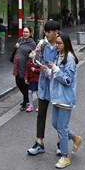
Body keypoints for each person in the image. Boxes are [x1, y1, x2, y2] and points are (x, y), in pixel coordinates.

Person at [48, 32, 82, 169]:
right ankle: (75, 138)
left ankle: (65, 156)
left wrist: (55, 70)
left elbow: (67, 80)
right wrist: (48, 71)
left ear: (66, 44)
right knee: (55, 123)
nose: (57, 45)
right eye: (56, 43)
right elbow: (55, 75)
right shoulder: (59, 56)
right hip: (56, 96)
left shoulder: (70, 59)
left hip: (65, 98)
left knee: (61, 128)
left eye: (60, 43)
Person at [27, 19, 61, 156]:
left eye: (49, 31)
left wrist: (51, 71)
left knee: (58, 117)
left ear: (56, 32)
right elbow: (37, 60)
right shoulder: (43, 45)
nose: (47, 34)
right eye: (46, 31)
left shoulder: (61, 45)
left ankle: (61, 143)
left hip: (57, 85)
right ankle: (39, 142)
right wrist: (35, 57)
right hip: (43, 85)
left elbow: (67, 64)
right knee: (41, 114)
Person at [12, 26, 37, 111]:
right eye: (24, 32)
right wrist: (15, 47)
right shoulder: (20, 39)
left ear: (30, 33)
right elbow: (16, 50)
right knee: (18, 83)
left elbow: (33, 56)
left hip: (25, 67)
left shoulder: (32, 43)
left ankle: (24, 101)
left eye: (27, 32)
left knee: (24, 84)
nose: (25, 33)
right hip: (17, 66)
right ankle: (26, 98)